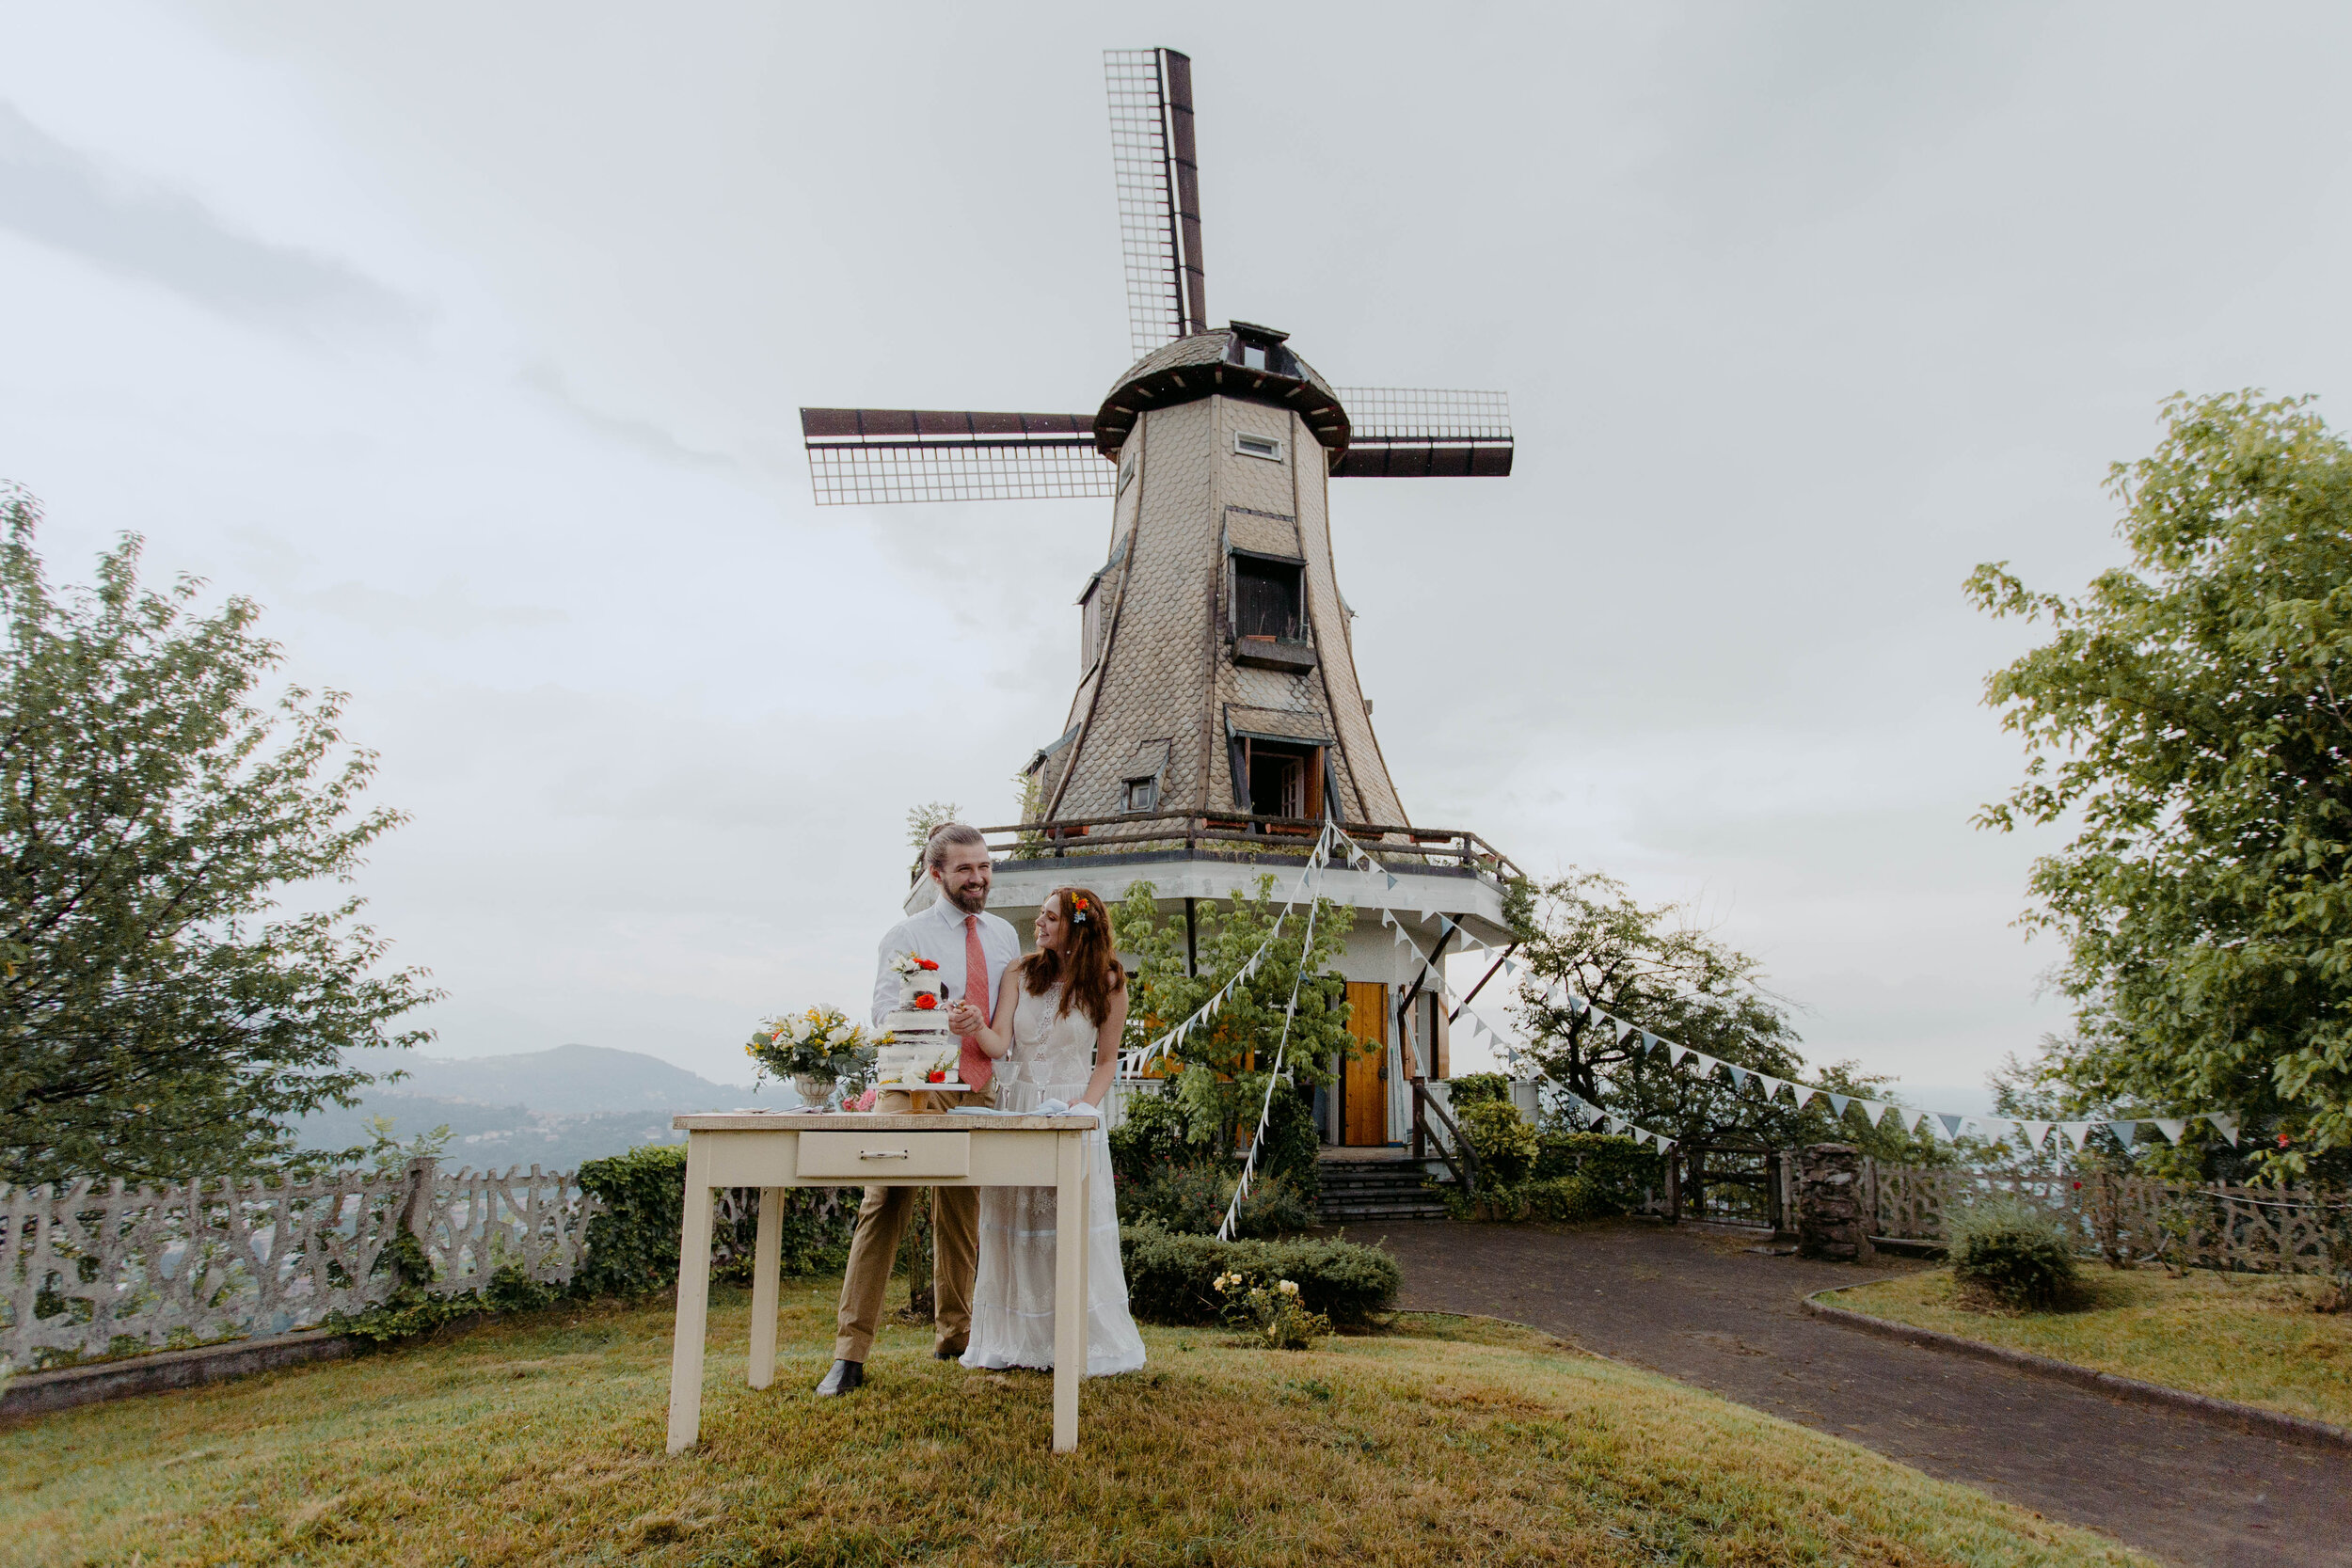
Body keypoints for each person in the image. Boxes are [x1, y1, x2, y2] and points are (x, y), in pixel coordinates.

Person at [815, 822, 1021, 1397]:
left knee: (962, 1213)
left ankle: (957, 1338)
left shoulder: (1005, 936)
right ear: (937, 874)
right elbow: (884, 1014)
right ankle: (849, 1356)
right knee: (884, 1205)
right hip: (912, 1085)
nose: (978, 878)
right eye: (964, 869)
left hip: (976, 1086)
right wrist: (939, 1016)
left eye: (984, 866)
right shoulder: (906, 935)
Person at [947, 885, 1147, 1377]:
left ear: (1077, 926)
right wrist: (974, 1026)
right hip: (1019, 1107)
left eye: (1050, 918)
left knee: (1067, 1229)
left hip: (1074, 1113)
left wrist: (1082, 1111)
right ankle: (1015, 1340)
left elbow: (1105, 1063)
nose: (1038, 925)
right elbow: (999, 1046)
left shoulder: (1109, 981)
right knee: (1015, 1226)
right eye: (1039, 916)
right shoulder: (1020, 971)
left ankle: (1076, 1341)